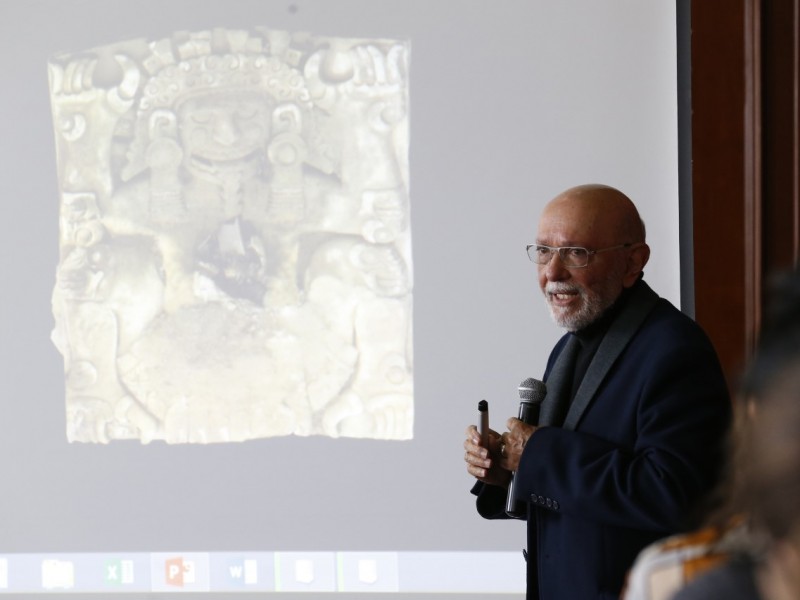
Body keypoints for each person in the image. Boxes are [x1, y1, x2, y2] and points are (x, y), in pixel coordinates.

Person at [463, 184, 732, 600]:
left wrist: (537, 454)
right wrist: (509, 472)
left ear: (632, 262)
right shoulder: (569, 346)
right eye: (543, 251)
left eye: (576, 253)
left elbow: (674, 495)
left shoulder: (675, 350)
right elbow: (583, 497)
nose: (552, 272)